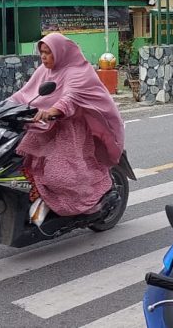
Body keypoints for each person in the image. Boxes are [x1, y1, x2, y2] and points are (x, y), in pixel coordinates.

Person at [8, 33, 125, 217]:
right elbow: (24, 94)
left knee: (59, 175)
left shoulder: (77, 71)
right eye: (42, 52)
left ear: (60, 52)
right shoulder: (44, 71)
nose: (44, 57)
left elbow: (70, 97)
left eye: (48, 52)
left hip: (71, 129)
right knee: (23, 164)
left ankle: (93, 197)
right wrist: (3, 107)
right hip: (44, 127)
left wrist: (51, 111)